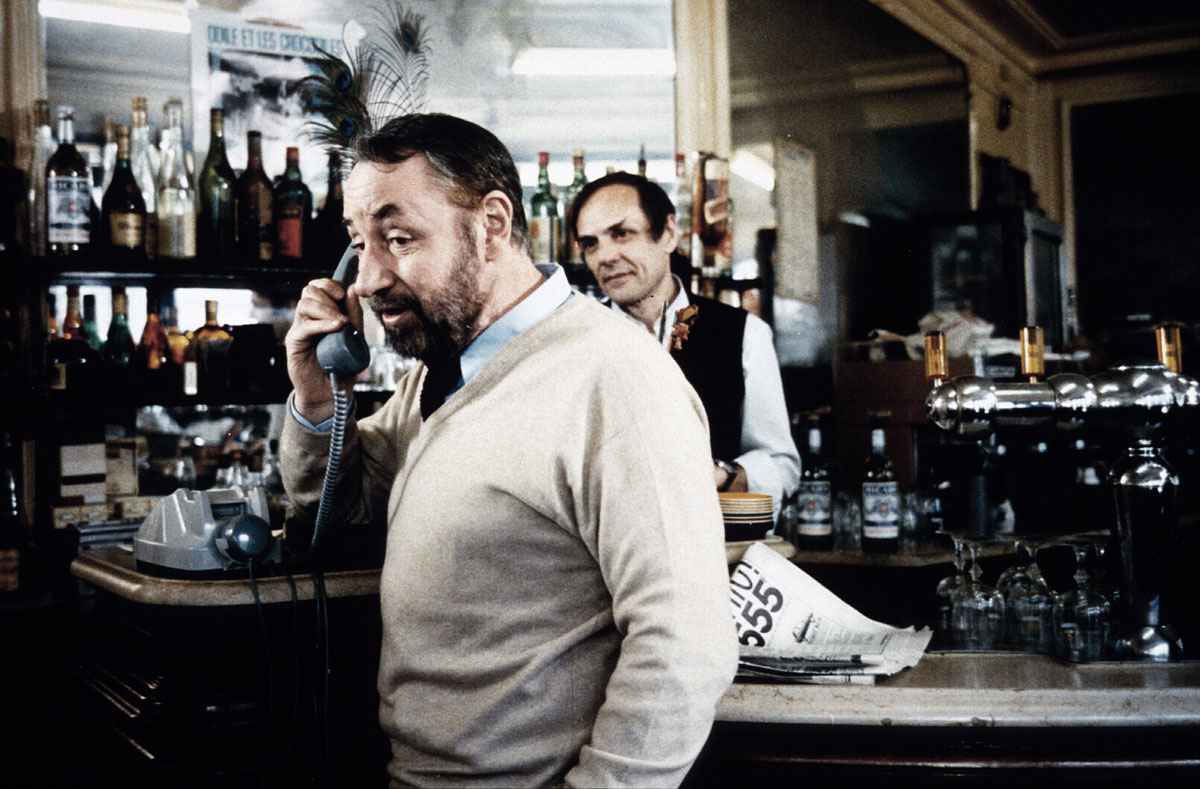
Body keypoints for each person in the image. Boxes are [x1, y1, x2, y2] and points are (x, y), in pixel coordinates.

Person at [279, 113, 737, 787]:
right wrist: (319, 400)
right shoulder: (437, 376)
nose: (369, 280)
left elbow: (686, 642)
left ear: (491, 224)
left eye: (398, 238)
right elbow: (337, 513)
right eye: (359, 244)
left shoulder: (616, 377)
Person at [569, 172, 801, 517]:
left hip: (714, 540)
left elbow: (782, 466)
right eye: (591, 244)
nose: (606, 256)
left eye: (622, 234)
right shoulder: (575, 343)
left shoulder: (744, 334)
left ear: (668, 233)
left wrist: (722, 475)